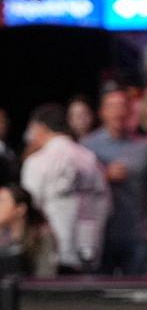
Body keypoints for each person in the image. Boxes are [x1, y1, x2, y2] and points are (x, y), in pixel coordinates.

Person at [20, 104, 111, 273]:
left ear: (41, 128)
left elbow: (30, 207)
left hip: (52, 250)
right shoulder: (89, 158)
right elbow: (105, 203)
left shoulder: (37, 161)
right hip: (90, 245)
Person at [81, 88, 147, 276]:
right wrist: (104, 176)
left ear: (130, 112)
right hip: (100, 233)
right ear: (102, 112)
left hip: (135, 232)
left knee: (137, 293)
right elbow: (79, 186)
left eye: (123, 107)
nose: (118, 112)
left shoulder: (143, 146)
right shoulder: (87, 146)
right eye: (112, 107)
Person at [0, 184, 58, 277]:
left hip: (31, 289)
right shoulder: (3, 235)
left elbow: (45, 275)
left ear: (20, 209)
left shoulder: (41, 237)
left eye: (1, 201)